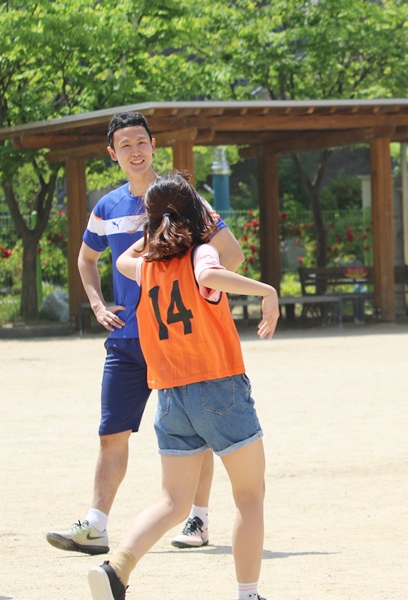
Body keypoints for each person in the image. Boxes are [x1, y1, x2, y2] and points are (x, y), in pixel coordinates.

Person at [47, 112, 244, 555]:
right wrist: (98, 304)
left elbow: (231, 255)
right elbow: (86, 259)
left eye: (142, 141)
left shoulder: (182, 200)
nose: (135, 151)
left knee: (197, 433)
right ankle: (96, 526)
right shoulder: (106, 207)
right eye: (125, 144)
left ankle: (199, 519)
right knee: (110, 432)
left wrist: (194, 293)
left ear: (155, 146)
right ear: (112, 153)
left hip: (178, 341)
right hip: (126, 340)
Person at [88, 171, 277, 600]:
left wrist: (154, 226)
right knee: (250, 494)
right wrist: (266, 290)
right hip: (218, 387)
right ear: (197, 216)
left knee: (172, 502)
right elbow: (210, 275)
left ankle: (117, 567)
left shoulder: (143, 266)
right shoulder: (202, 254)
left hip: (171, 395)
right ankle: (248, 594)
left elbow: (120, 259)